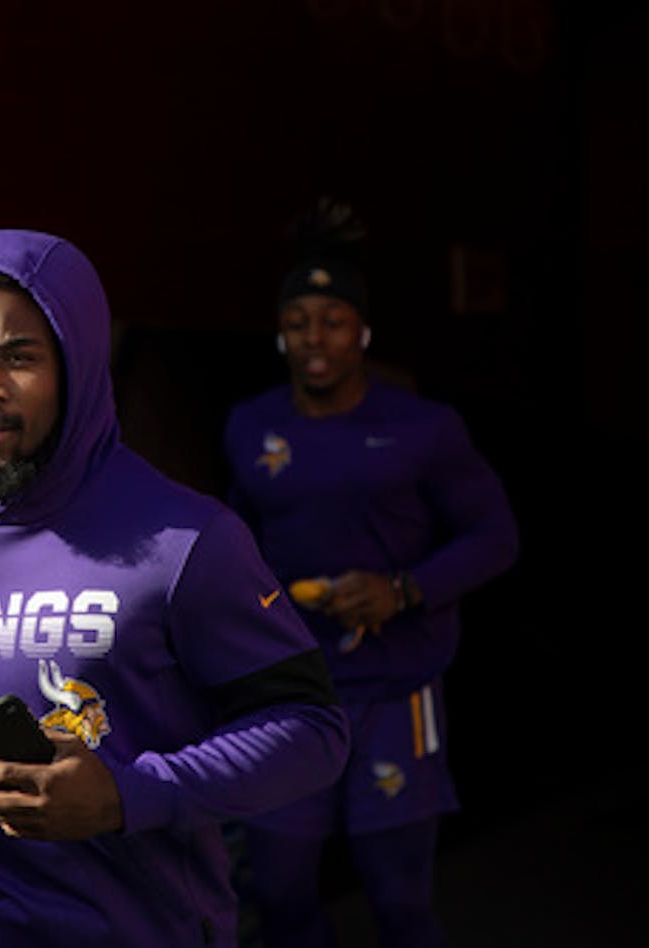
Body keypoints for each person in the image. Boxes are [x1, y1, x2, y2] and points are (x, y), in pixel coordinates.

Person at [0, 228, 351, 946]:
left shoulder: (186, 540)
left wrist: (127, 797)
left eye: (19, 357)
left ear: (76, 367)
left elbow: (312, 731)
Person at [221, 202, 520, 947]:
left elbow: (496, 535)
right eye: (298, 321)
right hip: (290, 694)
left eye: (332, 320)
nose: (314, 338)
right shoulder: (251, 426)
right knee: (282, 891)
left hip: (395, 689)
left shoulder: (424, 427)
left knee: (398, 899)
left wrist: (404, 589)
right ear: (280, 334)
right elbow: (236, 543)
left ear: (362, 332)